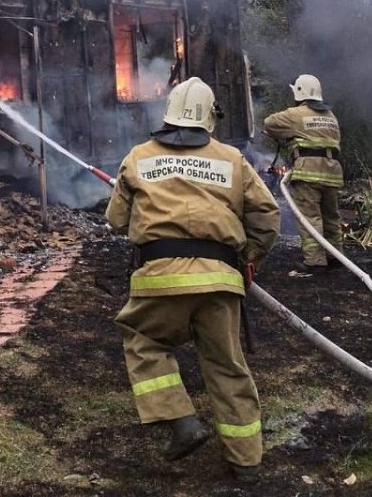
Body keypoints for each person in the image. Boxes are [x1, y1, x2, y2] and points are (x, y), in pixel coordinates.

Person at [106, 77, 280, 484]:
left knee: (144, 340)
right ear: (210, 117)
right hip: (220, 279)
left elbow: (115, 221)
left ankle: (181, 421)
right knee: (227, 365)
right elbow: (267, 216)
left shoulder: (138, 157)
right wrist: (250, 256)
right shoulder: (232, 160)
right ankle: (247, 462)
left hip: (158, 280)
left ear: (167, 113)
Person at [263, 73, 344, 268]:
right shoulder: (331, 116)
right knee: (331, 216)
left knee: (310, 217)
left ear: (299, 92)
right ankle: (336, 257)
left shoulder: (295, 114)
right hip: (332, 172)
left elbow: (269, 123)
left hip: (308, 172)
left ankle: (315, 261)